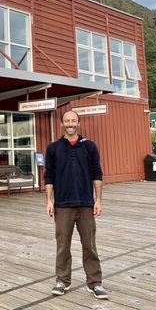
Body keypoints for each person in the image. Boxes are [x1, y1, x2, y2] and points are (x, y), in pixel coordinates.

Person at [44, 110, 108, 300]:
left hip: (86, 204)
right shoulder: (53, 148)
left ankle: (95, 283)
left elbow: (97, 173)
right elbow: (49, 175)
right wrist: (49, 200)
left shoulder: (89, 146)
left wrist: (98, 200)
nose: (70, 123)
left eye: (73, 121)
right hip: (62, 205)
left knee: (89, 245)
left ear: (78, 123)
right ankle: (62, 281)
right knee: (63, 245)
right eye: (67, 121)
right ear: (62, 124)